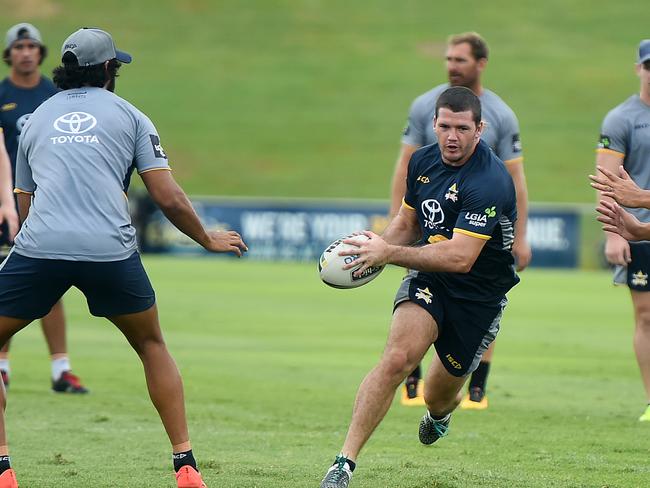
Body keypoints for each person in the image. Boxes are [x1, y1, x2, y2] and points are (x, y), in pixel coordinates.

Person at [0, 27, 248, 488]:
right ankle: (186, 464)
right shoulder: (132, 117)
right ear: (109, 71)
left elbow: (25, 201)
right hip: (108, 252)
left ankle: (2, 468)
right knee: (151, 346)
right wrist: (206, 239)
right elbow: (168, 197)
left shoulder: (34, 120)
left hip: (40, 248)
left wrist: (46, 243)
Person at [319, 87, 519, 488]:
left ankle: (441, 415)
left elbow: (460, 258)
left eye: (463, 128)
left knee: (437, 394)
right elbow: (408, 223)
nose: (452, 137)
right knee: (396, 359)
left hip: (477, 298)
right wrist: (373, 249)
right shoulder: (422, 161)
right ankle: (343, 464)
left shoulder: (491, 180)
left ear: (479, 129)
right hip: (429, 279)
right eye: (444, 126)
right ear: (433, 124)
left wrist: (388, 254)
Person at [389, 32, 531, 409]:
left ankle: (473, 388)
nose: (452, 66)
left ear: (481, 64)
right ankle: (410, 377)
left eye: (461, 60)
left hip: (480, 240)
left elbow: (515, 182)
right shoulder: (424, 105)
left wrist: (521, 236)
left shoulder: (501, 114)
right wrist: (390, 237)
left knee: (482, 288)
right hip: (431, 239)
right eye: (449, 59)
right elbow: (407, 169)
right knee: (407, 328)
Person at [0, 22, 87, 393]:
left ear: (40, 53)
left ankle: (60, 368)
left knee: (50, 282)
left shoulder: (55, 96)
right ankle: (2, 365)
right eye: (18, 46)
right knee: (6, 284)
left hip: (47, 201)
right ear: (9, 55)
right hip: (5, 201)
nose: (25, 52)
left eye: (31, 46)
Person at [589, 39, 650, 422]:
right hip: (638, 230)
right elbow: (607, 179)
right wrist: (615, 234)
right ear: (638, 69)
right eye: (649, 65)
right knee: (645, 316)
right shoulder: (622, 118)